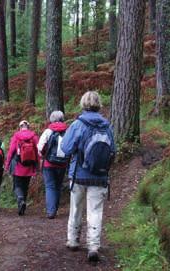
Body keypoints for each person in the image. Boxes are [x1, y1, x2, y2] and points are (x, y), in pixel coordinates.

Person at [60, 91, 116, 262]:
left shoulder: (78, 124)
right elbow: (113, 150)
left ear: (83, 104)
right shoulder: (107, 126)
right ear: (99, 104)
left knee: (76, 208)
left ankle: (73, 240)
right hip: (99, 176)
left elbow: (66, 148)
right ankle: (93, 246)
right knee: (95, 211)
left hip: (79, 175)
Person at [38, 111, 69, 219]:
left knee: (50, 186)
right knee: (58, 186)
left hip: (49, 163)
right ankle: (55, 208)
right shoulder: (68, 130)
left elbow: (40, 147)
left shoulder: (48, 131)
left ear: (52, 119)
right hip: (63, 164)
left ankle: (51, 211)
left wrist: (43, 155)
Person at [5, 120, 39, 216]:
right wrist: (37, 166)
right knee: (25, 186)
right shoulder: (34, 136)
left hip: (17, 165)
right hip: (29, 165)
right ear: (28, 127)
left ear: (20, 127)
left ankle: (20, 199)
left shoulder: (16, 136)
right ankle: (23, 203)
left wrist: (7, 165)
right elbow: (37, 151)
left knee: (17, 185)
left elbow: (11, 151)